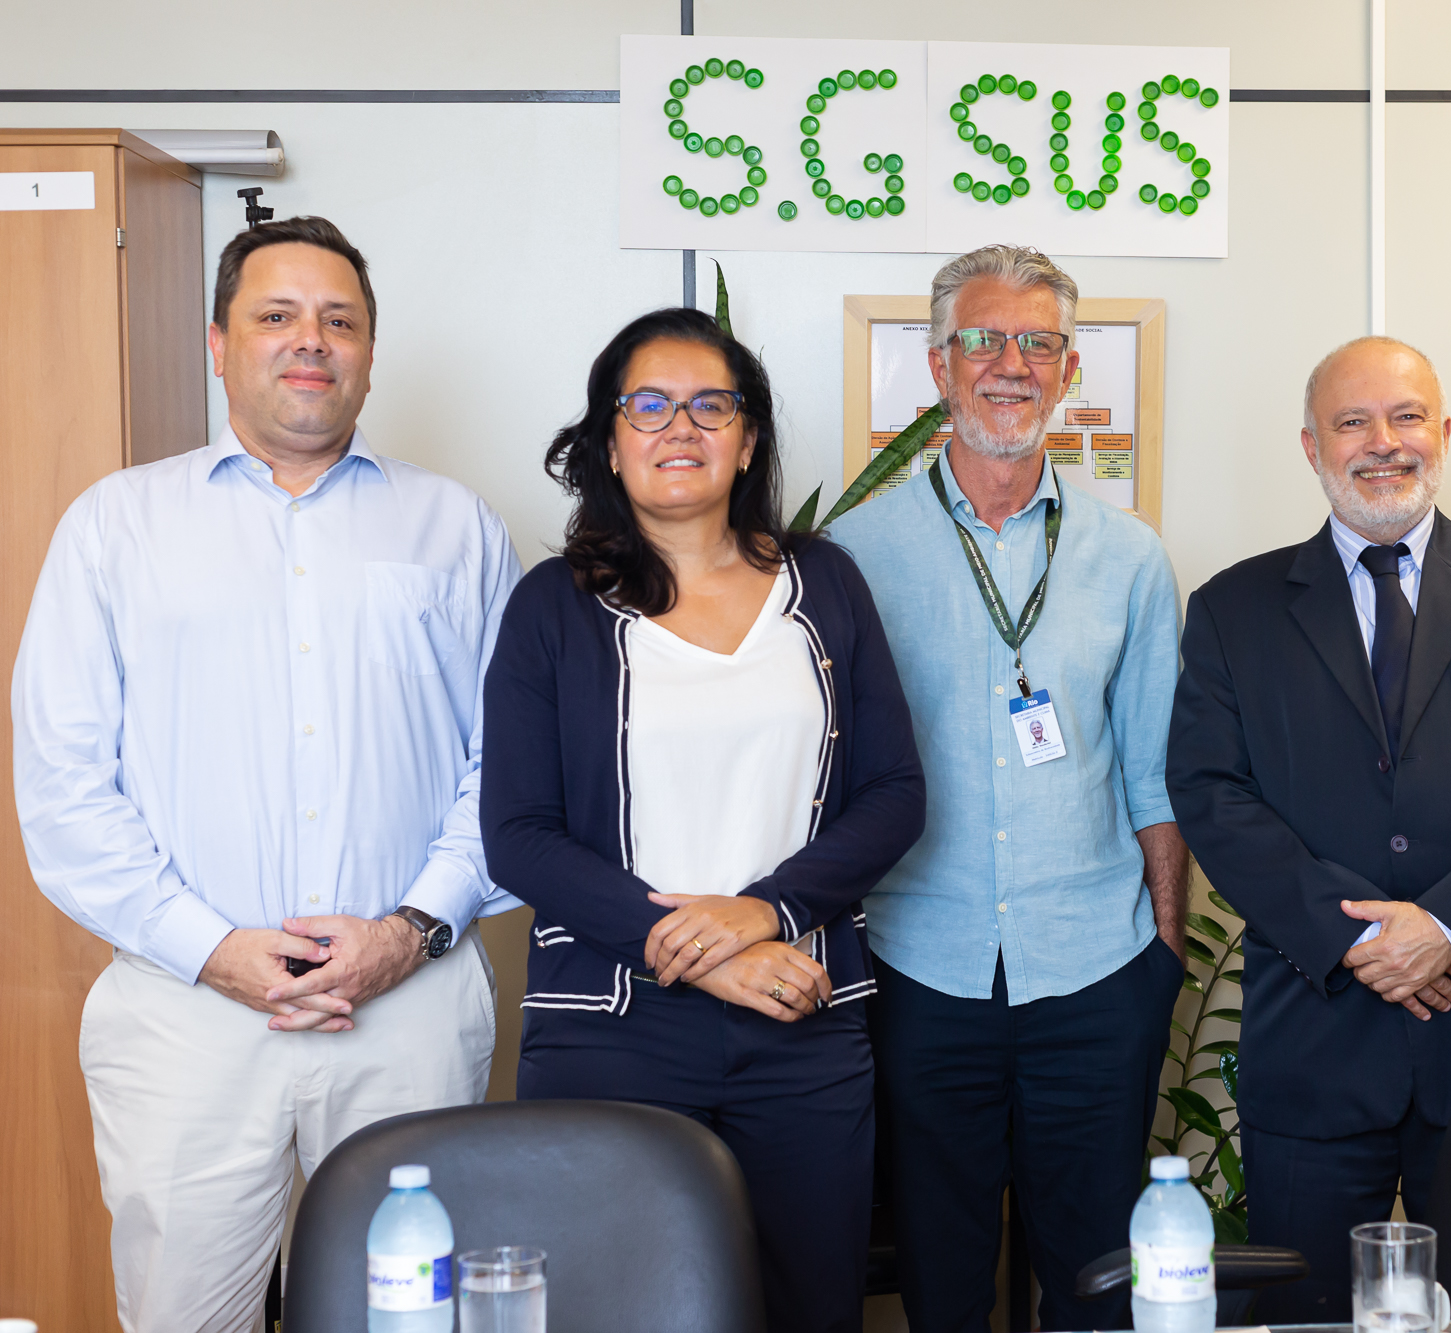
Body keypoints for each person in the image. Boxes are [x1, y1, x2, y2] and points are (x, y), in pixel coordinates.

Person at [11, 216, 520, 1333]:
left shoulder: (457, 529)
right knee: (186, 1316)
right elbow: (62, 781)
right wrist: (212, 948)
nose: (311, 343)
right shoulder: (116, 527)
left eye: (339, 321)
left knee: (414, 1319)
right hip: (185, 1011)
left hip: (409, 1005)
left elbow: (515, 770)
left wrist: (408, 929)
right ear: (218, 343)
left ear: (371, 351)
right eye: (277, 316)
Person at [480, 307, 924, 1333]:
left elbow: (894, 792)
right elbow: (518, 832)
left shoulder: (826, 586)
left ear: (749, 436)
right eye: (649, 405)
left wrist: (763, 911)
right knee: (609, 1307)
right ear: (607, 439)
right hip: (609, 1030)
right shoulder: (554, 606)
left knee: (808, 1308)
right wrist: (705, 949)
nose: (679, 427)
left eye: (709, 405)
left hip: (800, 1019)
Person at [1166, 336, 1451, 1322]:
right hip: (1315, 1046)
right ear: (1309, 445)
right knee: (1310, 1317)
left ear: (1442, 431)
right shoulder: (1234, 610)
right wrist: (1359, 934)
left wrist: (1446, 924)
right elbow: (1209, 792)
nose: (1382, 443)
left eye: (1405, 416)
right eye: (1351, 422)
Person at [829, 245, 1188, 1333]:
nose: (1008, 364)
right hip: (919, 967)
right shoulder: (851, 553)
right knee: (938, 1272)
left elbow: (1151, 776)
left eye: (1036, 343)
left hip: (1095, 966)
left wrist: (1161, 961)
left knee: (1092, 1276)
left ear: (1068, 370)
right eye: (982, 339)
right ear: (938, 367)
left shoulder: (1128, 558)